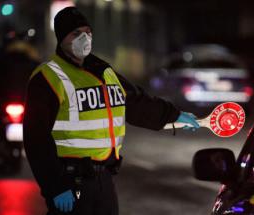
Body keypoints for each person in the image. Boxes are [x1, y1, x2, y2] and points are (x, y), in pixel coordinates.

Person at [23, 7, 200, 215]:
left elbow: (137, 103)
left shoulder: (104, 72)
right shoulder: (48, 77)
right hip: (70, 181)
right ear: (62, 38)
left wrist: (174, 115)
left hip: (104, 180)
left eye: (87, 32)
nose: (84, 38)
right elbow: (36, 138)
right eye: (76, 34)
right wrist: (55, 186)